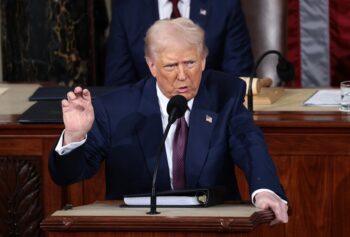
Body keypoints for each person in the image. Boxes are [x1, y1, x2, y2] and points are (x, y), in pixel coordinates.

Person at [49, 18, 288, 224]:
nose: (182, 75)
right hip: (137, 235)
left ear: (203, 60)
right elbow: (67, 175)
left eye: (190, 63)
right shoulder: (117, 109)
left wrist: (265, 189)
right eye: (171, 65)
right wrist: (75, 136)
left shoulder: (225, 94)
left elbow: (248, 142)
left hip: (213, 230)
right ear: (151, 66)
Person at [104, 0, 254, 86]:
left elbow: (238, 79)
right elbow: (118, 85)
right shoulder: (127, 7)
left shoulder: (224, 4)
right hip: (147, 119)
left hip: (209, 117)